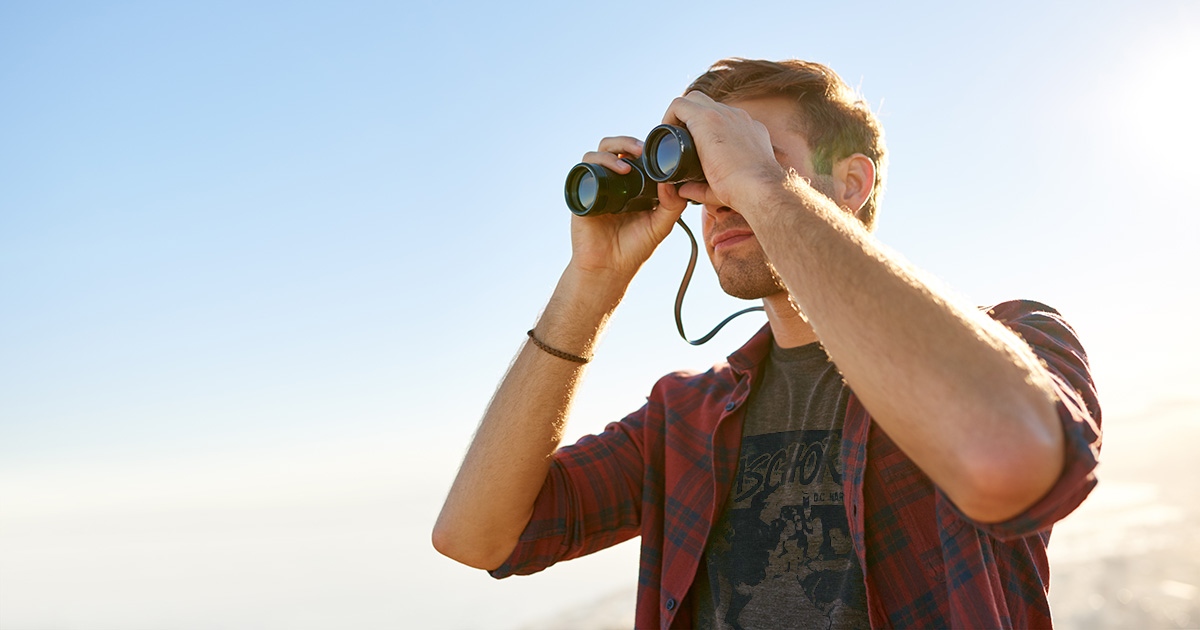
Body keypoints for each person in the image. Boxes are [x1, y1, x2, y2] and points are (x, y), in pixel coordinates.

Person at [432, 58, 1102, 629]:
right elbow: (477, 535)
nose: (719, 197)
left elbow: (1006, 461)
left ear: (852, 183)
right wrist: (589, 286)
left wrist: (760, 185)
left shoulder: (1007, 339)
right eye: (707, 172)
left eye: (748, 154)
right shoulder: (683, 418)